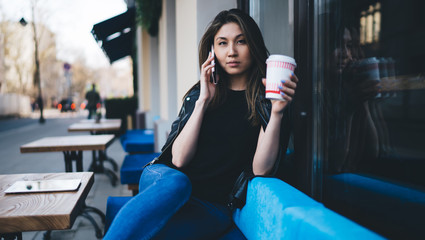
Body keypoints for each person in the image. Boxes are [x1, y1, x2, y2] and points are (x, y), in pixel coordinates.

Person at [104, 8, 298, 240]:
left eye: (241, 41)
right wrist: (204, 101)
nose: (232, 52)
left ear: (253, 45)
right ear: (212, 50)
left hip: (212, 206)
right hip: (166, 179)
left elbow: (261, 170)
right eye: (222, 43)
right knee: (179, 183)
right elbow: (178, 159)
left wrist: (276, 113)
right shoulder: (201, 94)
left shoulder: (268, 102)